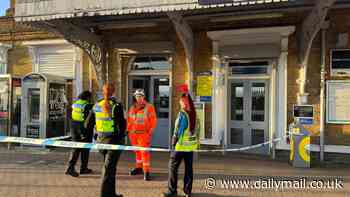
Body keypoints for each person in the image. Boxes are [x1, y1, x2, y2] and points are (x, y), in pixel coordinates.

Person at [85, 83, 126, 197]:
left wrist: (96, 132)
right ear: (113, 92)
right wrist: (122, 136)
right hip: (113, 142)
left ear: (103, 92)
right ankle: (104, 194)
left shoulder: (96, 105)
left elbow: (87, 124)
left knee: (110, 169)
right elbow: (122, 126)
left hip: (100, 141)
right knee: (108, 170)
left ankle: (111, 193)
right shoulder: (116, 106)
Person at [163, 92, 198, 197]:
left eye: (181, 100)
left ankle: (172, 191)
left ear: (184, 102)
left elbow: (179, 129)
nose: (179, 102)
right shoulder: (194, 113)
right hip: (190, 146)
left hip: (180, 145)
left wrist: (174, 140)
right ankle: (188, 191)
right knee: (189, 169)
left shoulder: (183, 113)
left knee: (172, 167)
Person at [127, 89, 157, 181]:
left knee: (144, 153)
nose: (138, 98)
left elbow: (153, 119)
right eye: (137, 96)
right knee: (137, 152)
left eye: (140, 96)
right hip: (133, 134)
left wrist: (151, 130)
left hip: (143, 134)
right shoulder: (133, 107)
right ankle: (139, 168)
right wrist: (127, 130)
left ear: (143, 97)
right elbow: (129, 120)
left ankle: (146, 171)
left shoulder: (149, 107)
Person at [65, 90, 94, 177]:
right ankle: (83, 168)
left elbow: (69, 114)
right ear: (88, 97)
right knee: (85, 148)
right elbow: (91, 119)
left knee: (75, 148)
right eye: (90, 97)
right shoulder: (88, 105)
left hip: (74, 127)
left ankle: (70, 167)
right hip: (84, 129)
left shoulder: (75, 103)